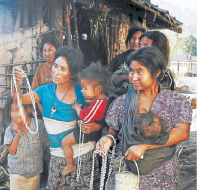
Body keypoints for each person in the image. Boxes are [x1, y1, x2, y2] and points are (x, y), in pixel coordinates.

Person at [96, 46, 192, 189]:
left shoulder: (175, 101)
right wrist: (108, 138)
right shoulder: (122, 102)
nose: (133, 78)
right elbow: (113, 131)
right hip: (125, 177)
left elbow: (182, 132)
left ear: (157, 72)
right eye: (131, 71)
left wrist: (145, 146)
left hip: (160, 177)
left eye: (139, 72)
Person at [13, 45, 101, 189]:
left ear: (71, 72)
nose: (56, 72)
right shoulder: (44, 91)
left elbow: (100, 118)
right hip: (57, 158)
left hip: (83, 157)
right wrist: (16, 81)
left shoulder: (81, 91)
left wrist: (96, 126)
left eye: (63, 69)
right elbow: (19, 100)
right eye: (55, 66)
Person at [61, 63, 112, 176]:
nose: (83, 91)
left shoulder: (100, 103)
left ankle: (70, 166)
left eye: (85, 88)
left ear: (98, 89)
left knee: (65, 142)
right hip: (88, 129)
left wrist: (77, 108)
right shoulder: (101, 100)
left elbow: (86, 116)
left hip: (87, 133)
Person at [4, 103, 49, 190]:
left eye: (17, 110)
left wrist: (57, 139)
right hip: (17, 175)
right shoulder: (10, 129)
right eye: (12, 111)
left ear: (28, 109)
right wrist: (17, 134)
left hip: (35, 174)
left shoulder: (38, 125)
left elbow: (45, 143)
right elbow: (11, 151)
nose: (14, 114)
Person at [106, 26, 146, 97]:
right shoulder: (119, 58)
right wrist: (112, 88)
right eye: (133, 38)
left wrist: (124, 77)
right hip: (117, 99)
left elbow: (145, 79)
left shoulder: (147, 60)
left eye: (139, 39)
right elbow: (107, 74)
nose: (136, 41)